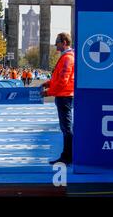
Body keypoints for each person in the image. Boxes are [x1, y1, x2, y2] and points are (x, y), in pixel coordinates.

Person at [41, 32, 75, 165]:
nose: (55, 45)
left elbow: (63, 81)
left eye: (57, 42)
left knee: (66, 128)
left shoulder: (67, 58)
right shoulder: (68, 56)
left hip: (64, 96)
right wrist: (49, 83)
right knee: (66, 127)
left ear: (64, 42)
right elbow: (59, 78)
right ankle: (67, 155)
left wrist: (48, 92)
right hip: (65, 95)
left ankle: (67, 156)